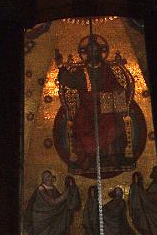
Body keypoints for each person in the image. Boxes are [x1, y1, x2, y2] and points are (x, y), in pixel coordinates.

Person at [56, 34, 130, 172]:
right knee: (82, 126)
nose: (94, 53)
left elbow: (115, 86)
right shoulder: (82, 72)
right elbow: (68, 80)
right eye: (91, 51)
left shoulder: (106, 70)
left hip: (105, 107)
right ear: (87, 54)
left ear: (100, 53)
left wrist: (119, 96)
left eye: (96, 51)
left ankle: (113, 157)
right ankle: (87, 159)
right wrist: (60, 66)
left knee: (113, 124)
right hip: (87, 108)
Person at [24, 171, 81, 235]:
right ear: (44, 179)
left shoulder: (52, 188)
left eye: (51, 177)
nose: (51, 179)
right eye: (48, 177)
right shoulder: (40, 189)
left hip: (51, 215)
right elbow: (52, 202)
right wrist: (65, 195)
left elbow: (59, 199)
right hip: (41, 217)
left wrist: (69, 190)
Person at [129, 167, 157, 235]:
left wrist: (138, 191)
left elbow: (150, 198)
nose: (152, 173)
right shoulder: (154, 184)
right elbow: (146, 195)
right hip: (151, 211)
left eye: (154, 172)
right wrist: (139, 183)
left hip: (156, 213)